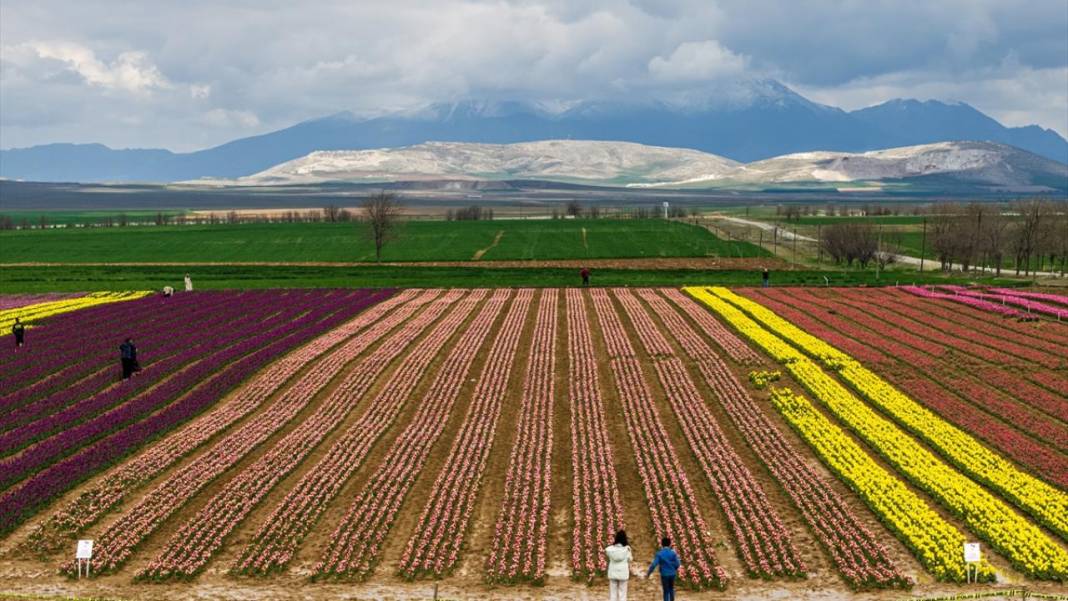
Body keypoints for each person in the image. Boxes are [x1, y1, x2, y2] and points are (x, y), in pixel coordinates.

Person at [646, 536, 680, 601]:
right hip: (672, 574)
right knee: (671, 588)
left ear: (661, 544)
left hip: (664, 574)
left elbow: (654, 564)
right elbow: (677, 564)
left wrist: (649, 573)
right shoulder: (673, 553)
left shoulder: (659, 554)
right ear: (670, 544)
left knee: (666, 590)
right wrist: (673, 569)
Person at [605, 530, 632, 601]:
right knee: (622, 594)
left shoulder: (610, 549)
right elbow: (630, 559)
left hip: (613, 573)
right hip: (623, 573)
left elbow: (607, 551)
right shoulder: (627, 549)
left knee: (613, 594)